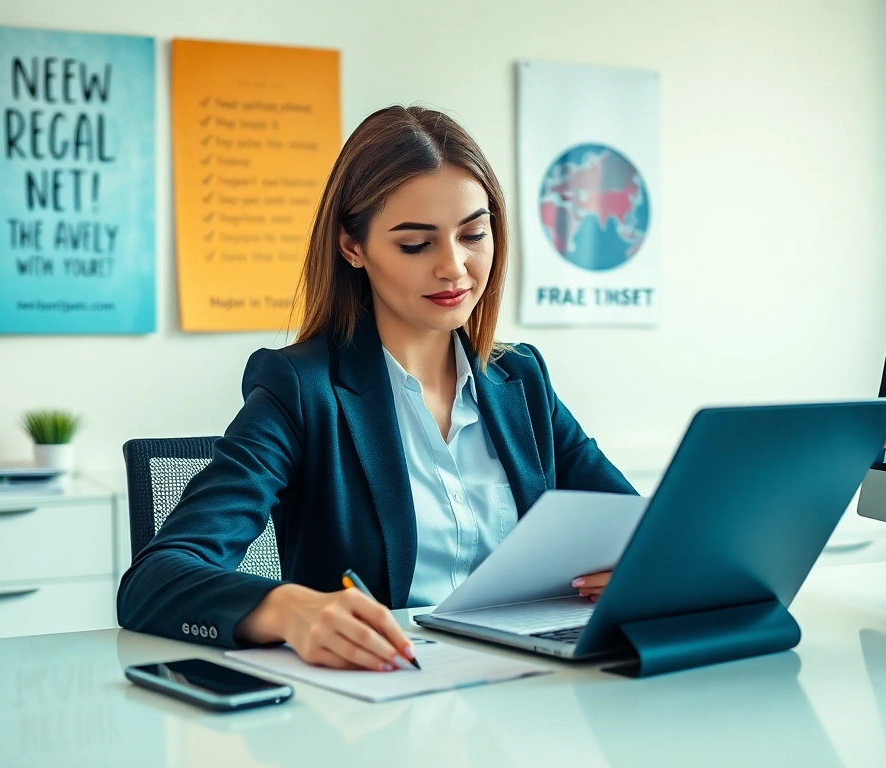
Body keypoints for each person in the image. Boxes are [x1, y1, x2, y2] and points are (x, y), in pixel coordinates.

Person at [117, 106, 636, 672]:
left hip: (529, 691)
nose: (454, 268)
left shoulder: (520, 379)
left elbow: (643, 530)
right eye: (416, 244)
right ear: (352, 247)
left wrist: (643, 569)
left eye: (474, 234)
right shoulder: (300, 390)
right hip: (382, 703)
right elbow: (155, 578)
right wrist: (288, 608)